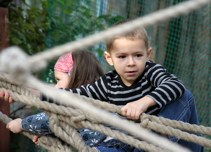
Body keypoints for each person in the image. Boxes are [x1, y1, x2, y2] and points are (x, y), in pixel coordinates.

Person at [1, 27, 202, 151]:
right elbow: (73, 97)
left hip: (172, 142)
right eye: (122, 57)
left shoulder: (151, 71)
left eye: (138, 56)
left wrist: (144, 102)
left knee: (183, 95)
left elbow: (175, 86)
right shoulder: (108, 83)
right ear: (109, 58)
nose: (131, 63)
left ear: (148, 55)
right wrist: (29, 92)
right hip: (128, 144)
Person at [0, 50, 107, 145]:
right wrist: (45, 131)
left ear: (77, 77)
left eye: (58, 80)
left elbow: (52, 119)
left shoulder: (83, 102)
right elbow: (70, 128)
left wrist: (22, 124)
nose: (56, 86)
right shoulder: (100, 95)